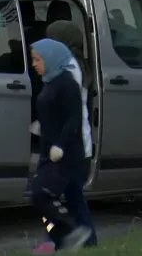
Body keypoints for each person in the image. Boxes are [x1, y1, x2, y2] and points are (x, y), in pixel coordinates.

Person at [30, 22, 97, 254]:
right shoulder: (59, 70)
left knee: (65, 197)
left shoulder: (69, 71)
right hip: (61, 146)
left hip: (72, 147)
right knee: (57, 198)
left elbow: (72, 114)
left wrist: (58, 142)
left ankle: (83, 241)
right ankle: (64, 240)